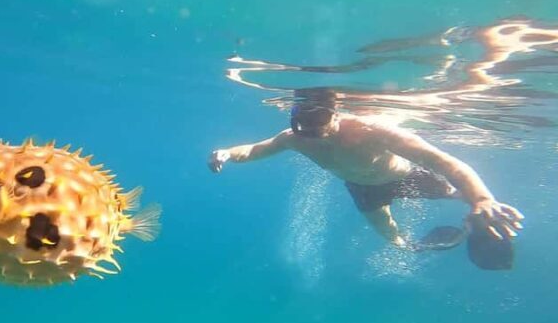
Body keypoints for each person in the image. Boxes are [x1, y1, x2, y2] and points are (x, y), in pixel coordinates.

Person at [207, 88, 523, 264]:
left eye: (320, 120)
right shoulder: (293, 137)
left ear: (337, 112)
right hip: (362, 188)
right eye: (305, 122)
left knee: (457, 192)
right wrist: (226, 153)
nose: (314, 131)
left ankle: (482, 216)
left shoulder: (373, 130)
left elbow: (446, 163)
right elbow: (255, 150)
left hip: (406, 177)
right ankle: (421, 246)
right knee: (390, 235)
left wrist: (481, 197)